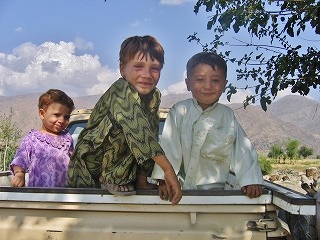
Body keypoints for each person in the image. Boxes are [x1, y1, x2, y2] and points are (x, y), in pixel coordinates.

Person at [67, 35, 182, 205]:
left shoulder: (154, 96)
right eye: (138, 66)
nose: (147, 74)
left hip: (126, 173)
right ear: (122, 69)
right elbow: (138, 130)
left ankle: (132, 179)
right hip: (89, 168)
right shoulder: (120, 89)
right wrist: (167, 169)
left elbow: (149, 132)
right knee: (130, 126)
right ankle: (111, 177)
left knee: (148, 133)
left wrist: (143, 179)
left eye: (155, 68)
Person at [151, 52, 264, 199]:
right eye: (200, 79)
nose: (208, 86)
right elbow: (168, 146)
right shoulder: (179, 111)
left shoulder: (227, 116)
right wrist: (162, 179)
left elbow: (243, 150)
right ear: (188, 84)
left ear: (224, 85)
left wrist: (250, 180)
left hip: (215, 193)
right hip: (179, 190)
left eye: (215, 80)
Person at [10, 89, 75, 187]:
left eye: (66, 117)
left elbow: (74, 161)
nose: (62, 120)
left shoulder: (67, 138)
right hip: (40, 196)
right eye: (57, 115)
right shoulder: (33, 139)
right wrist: (19, 173)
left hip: (64, 194)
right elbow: (20, 159)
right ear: (42, 114)